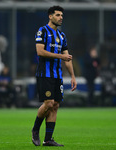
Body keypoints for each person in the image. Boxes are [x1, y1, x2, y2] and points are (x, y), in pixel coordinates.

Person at [31, 5, 77, 147]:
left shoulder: (62, 36)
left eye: (62, 15)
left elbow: (67, 57)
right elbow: (40, 52)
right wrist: (60, 56)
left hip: (58, 75)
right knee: (48, 103)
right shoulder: (42, 31)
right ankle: (35, 129)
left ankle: (48, 140)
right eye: (57, 15)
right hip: (45, 74)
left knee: (55, 105)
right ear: (50, 16)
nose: (61, 17)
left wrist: (73, 76)